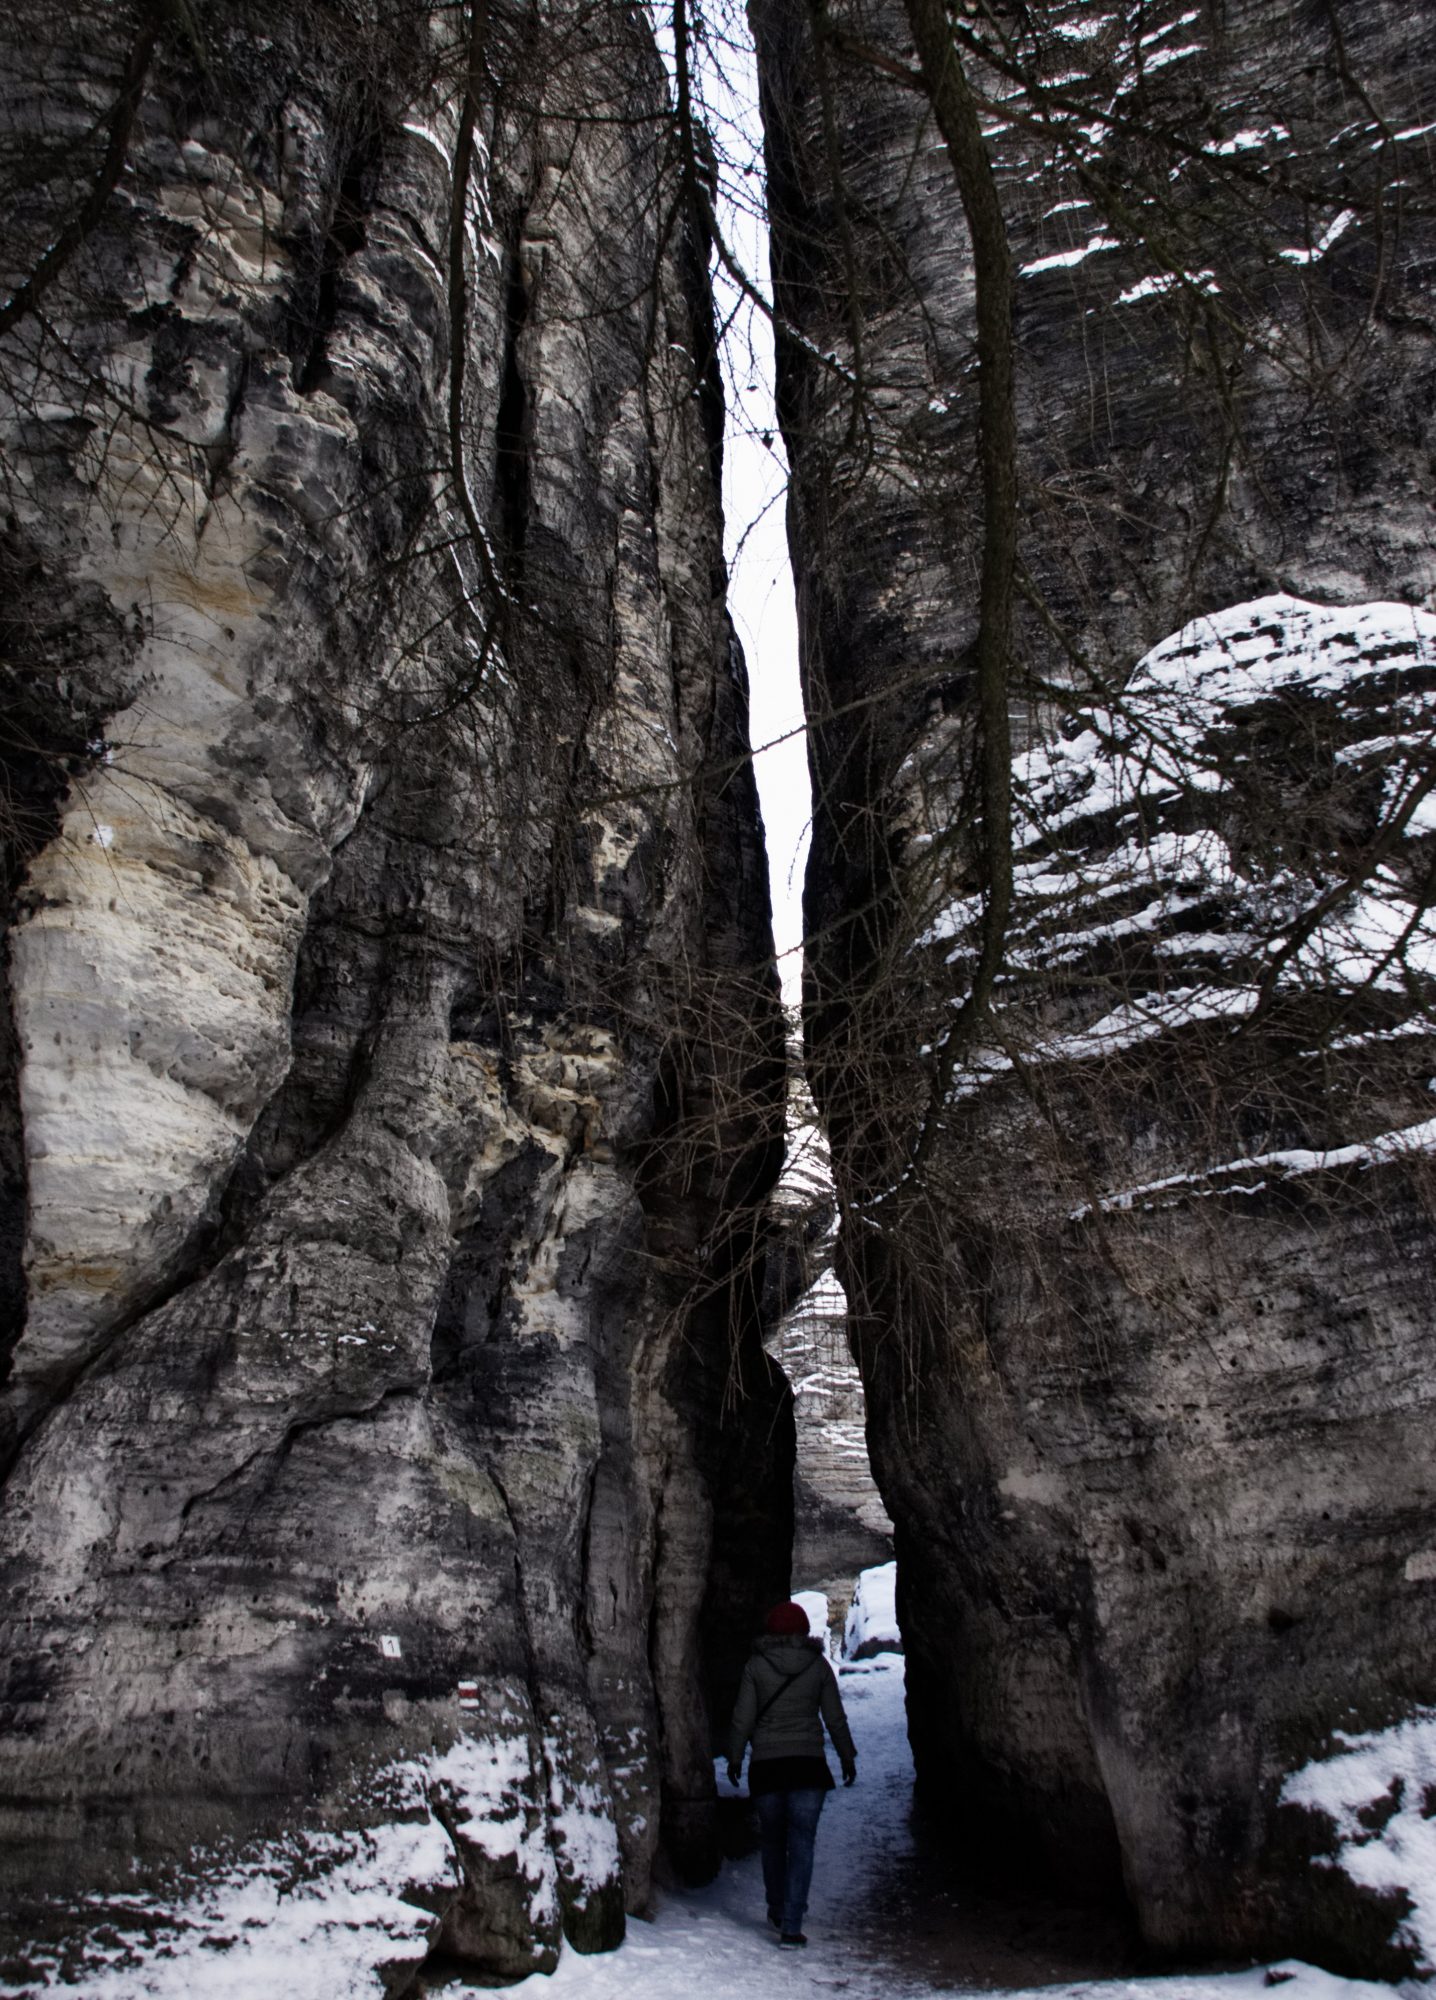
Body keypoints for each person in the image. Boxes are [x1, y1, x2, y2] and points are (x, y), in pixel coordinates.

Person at [726, 1600, 857, 1949]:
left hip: (768, 1765)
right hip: (807, 1765)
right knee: (802, 1844)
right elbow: (834, 1717)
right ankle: (792, 1924)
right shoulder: (817, 1666)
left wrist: (736, 1757)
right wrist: (847, 1756)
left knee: (772, 1840)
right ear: (803, 1632)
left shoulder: (756, 1666)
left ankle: (777, 1908)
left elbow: (743, 1718)